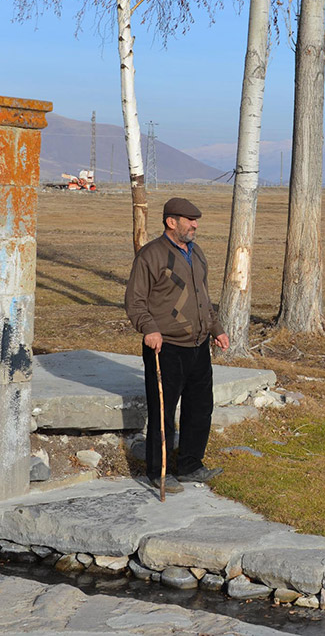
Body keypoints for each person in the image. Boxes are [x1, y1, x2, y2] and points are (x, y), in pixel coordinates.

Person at [125, 197, 230, 494]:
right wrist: (149, 329)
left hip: (198, 345)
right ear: (172, 222)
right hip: (165, 346)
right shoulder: (151, 255)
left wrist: (216, 329)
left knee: (200, 408)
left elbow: (203, 300)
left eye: (196, 220)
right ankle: (159, 472)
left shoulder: (197, 255)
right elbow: (135, 301)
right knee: (163, 411)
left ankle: (190, 465)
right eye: (189, 220)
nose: (195, 225)